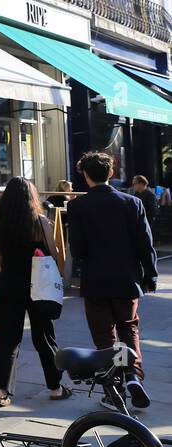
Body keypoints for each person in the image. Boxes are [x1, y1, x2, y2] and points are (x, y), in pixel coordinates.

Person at [68, 151, 156, 410]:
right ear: (111, 173)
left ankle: (114, 387)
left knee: (104, 336)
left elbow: (78, 249)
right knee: (128, 328)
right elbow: (145, 243)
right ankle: (132, 376)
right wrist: (150, 274)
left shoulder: (77, 206)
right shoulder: (131, 202)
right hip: (126, 278)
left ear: (85, 176)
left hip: (95, 279)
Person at [0, 177, 69, 407]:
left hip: (9, 285)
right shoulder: (40, 222)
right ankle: (54, 387)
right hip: (38, 285)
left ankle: (1, 391)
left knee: (7, 340)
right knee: (44, 336)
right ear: (31, 197)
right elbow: (54, 254)